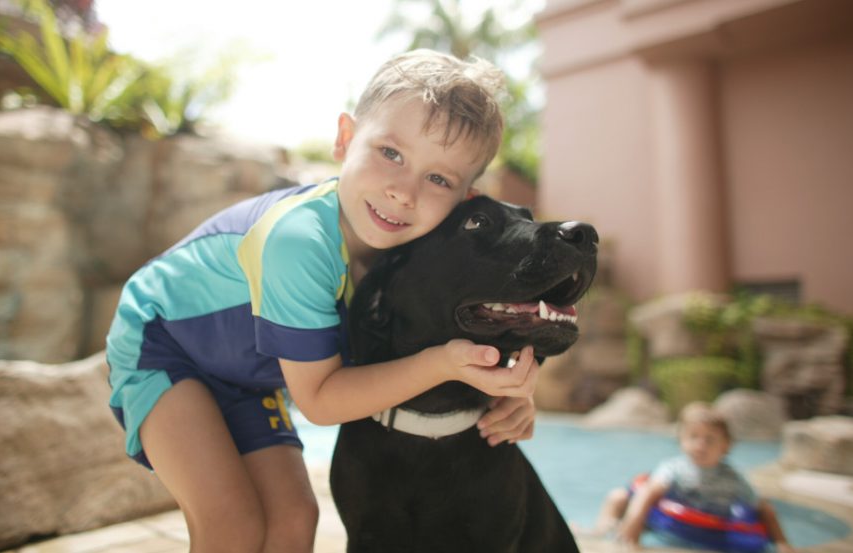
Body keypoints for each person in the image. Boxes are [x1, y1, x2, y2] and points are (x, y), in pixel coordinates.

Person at [105, 49, 541, 553]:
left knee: (294, 518)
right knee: (232, 522)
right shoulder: (300, 241)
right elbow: (320, 401)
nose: (403, 192)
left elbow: (479, 326)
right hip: (163, 344)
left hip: (244, 374)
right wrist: (443, 363)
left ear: (465, 198)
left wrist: (513, 390)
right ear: (345, 139)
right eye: (391, 153)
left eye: (438, 178)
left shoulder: (409, 250)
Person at [589, 402, 794, 552]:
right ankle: (601, 528)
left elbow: (764, 509)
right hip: (662, 519)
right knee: (617, 496)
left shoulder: (733, 480)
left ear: (726, 446)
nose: (700, 445)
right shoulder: (674, 468)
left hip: (711, 524)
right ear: (681, 440)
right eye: (693, 437)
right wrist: (632, 527)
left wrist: (781, 543)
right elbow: (648, 492)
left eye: (709, 439)